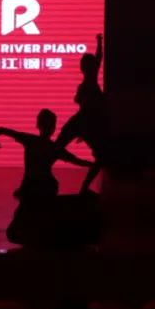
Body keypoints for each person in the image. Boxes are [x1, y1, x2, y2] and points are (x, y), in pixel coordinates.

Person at [0, 109, 94, 200]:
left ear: (38, 125)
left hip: (29, 186)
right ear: (53, 128)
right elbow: (77, 161)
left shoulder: (30, 140)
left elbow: (2, 130)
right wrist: (94, 164)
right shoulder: (54, 148)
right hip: (47, 187)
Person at [56, 34, 106, 193]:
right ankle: (84, 188)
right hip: (82, 122)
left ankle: (84, 188)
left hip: (85, 122)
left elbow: (98, 59)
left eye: (83, 64)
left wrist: (99, 43)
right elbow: (98, 59)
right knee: (56, 147)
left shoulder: (89, 83)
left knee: (101, 156)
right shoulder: (87, 84)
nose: (82, 67)